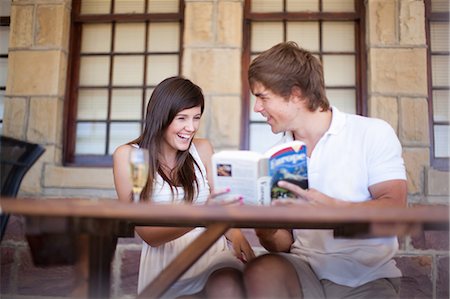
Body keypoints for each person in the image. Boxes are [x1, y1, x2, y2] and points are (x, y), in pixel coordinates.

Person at [243, 42, 407, 299]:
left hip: (366, 277)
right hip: (303, 271)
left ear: (295, 94)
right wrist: (265, 229)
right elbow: (284, 244)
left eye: (263, 97)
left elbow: (395, 207)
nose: (257, 108)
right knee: (262, 269)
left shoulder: (370, 133)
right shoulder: (277, 156)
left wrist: (331, 208)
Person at [112, 76, 254, 298]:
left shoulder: (203, 149)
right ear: (161, 117)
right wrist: (203, 215)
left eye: (196, 118)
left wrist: (234, 233)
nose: (191, 128)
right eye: (182, 118)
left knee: (228, 284)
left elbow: (220, 205)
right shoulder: (129, 155)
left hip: (213, 255)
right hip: (166, 265)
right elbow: (147, 234)